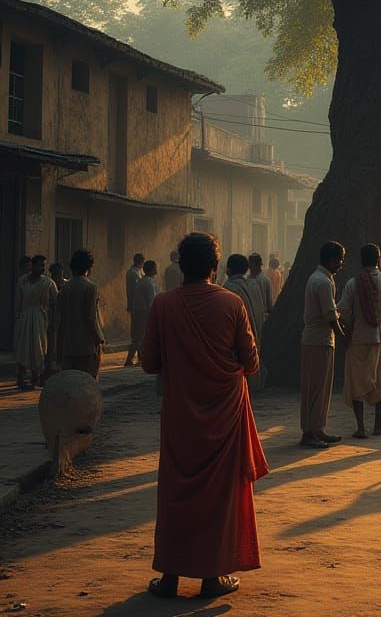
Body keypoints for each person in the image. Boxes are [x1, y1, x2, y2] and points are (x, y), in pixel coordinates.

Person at [141, 231, 267, 601]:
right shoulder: (231, 303)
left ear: (181, 266)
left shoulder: (164, 304)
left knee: (176, 492)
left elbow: (149, 363)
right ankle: (213, 576)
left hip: (180, 416)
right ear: (215, 266)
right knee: (220, 497)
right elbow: (252, 363)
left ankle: (170, 576)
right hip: (225, 415)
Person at [340, 243, 381, 438]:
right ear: (379, 260)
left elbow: (342, 309)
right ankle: (378, 425)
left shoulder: (353, 283)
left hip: (359, 339)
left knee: (357, 382)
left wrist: (350, 325)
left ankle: (361, 427)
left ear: (361, 261)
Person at [300, 242, 347, 448]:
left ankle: (316, 428)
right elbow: (330, 316)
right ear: (331, 259)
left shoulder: (318, 278)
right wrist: (343, 336)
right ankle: (310, 432)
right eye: (340, 260)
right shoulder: (324, 282)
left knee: (318, 387)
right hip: (319, 340)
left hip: (315, 339)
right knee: (317, 388)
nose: (341, 264)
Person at [56, 249, 104, 378]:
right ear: (89, 267)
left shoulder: (65, 288)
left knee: (70, 382)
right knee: (87, 381)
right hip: (86, 345)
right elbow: (90, 318)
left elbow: (60, 316)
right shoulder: (90, 287)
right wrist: (98, 338)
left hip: (68, 344)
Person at [13, 255, 57, 389]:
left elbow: (55, 301)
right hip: (25, 317)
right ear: (33, 266)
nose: (43, 268)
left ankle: (36, 376)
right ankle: (21, 376)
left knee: (38, 347)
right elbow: (18, 302)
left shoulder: (48, 283)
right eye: (40, 265)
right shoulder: (22, 281)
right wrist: (19, 317)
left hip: (39, 318)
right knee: (23, 347)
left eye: (44, 265)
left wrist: (51, 319)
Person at [224, 254, 260, 389]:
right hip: (255, 337)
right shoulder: (254, 284)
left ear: (228, 270)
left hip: (238, 341)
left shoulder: (228, 287)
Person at [124, 252, 145, 366]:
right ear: (141, 262)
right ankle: (130, 359)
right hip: (138, 307)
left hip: (137, 306)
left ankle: (140, 357)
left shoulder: (136, 272)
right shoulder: (133, 273)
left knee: (140, 333)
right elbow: (134, 291)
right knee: (138, 333)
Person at [247, 253, 273, 343]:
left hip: (261, 316)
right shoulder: (247, 279)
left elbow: (269, 301)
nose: (250, 267)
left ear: (257, 265)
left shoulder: (264, 280)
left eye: (251, 264)